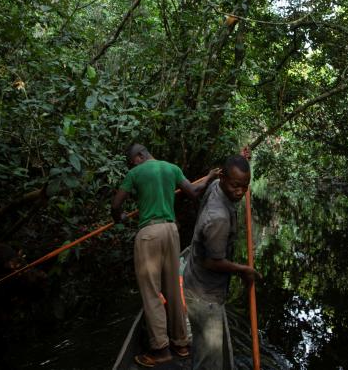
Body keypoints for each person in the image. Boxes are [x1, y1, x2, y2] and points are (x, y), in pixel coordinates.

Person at [111, 143, 218, 367]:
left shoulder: (135, 173)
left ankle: (160, 349)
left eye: (133, 161)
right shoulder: (172, 168)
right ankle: (181, 344)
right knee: (172, 289)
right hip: (171, 231)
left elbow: (116, 204)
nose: (133, 165)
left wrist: (119, 217)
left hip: (149, 233)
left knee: (151, 294)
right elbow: (194, 193)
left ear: (139, 157)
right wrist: (208, 177)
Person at [182, 155, 260, 370]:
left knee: (202, 351)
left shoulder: (217, 183)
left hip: (194, 280)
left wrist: (243, 158)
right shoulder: (218, 218)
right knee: (210, 363)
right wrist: (244, 270)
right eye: (236, 186)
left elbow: (233, 172)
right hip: (204, 295)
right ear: (224, 178)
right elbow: (212, 262)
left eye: (245, 186)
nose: (240, 192)